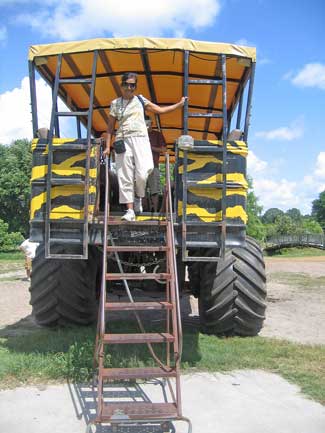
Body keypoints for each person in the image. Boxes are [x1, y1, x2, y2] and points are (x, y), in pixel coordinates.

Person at [103, 72, 187, 221]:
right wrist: (108, 147)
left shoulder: (140, 100)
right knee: (125, 175)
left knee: (143, 173)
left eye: (132, 85)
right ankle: (130, 210)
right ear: (122, 85)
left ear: (135, 86)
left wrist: (179, 105)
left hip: (141, 139)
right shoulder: (115, 104)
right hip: (123, 140)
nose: (129, 87)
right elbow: (110, 127)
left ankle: (138, 196)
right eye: (127, 84)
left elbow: (160, 110)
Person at [146, 117, 167, 212]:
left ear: (151, 123)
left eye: (147, 123)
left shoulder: (157, 135)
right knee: (139, 192)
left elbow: (164, 150)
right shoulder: (137, 135)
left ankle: (154, 212)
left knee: (154, 191)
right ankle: (142, 212)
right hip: (138, 167)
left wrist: (150, 147)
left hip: (153, 166)